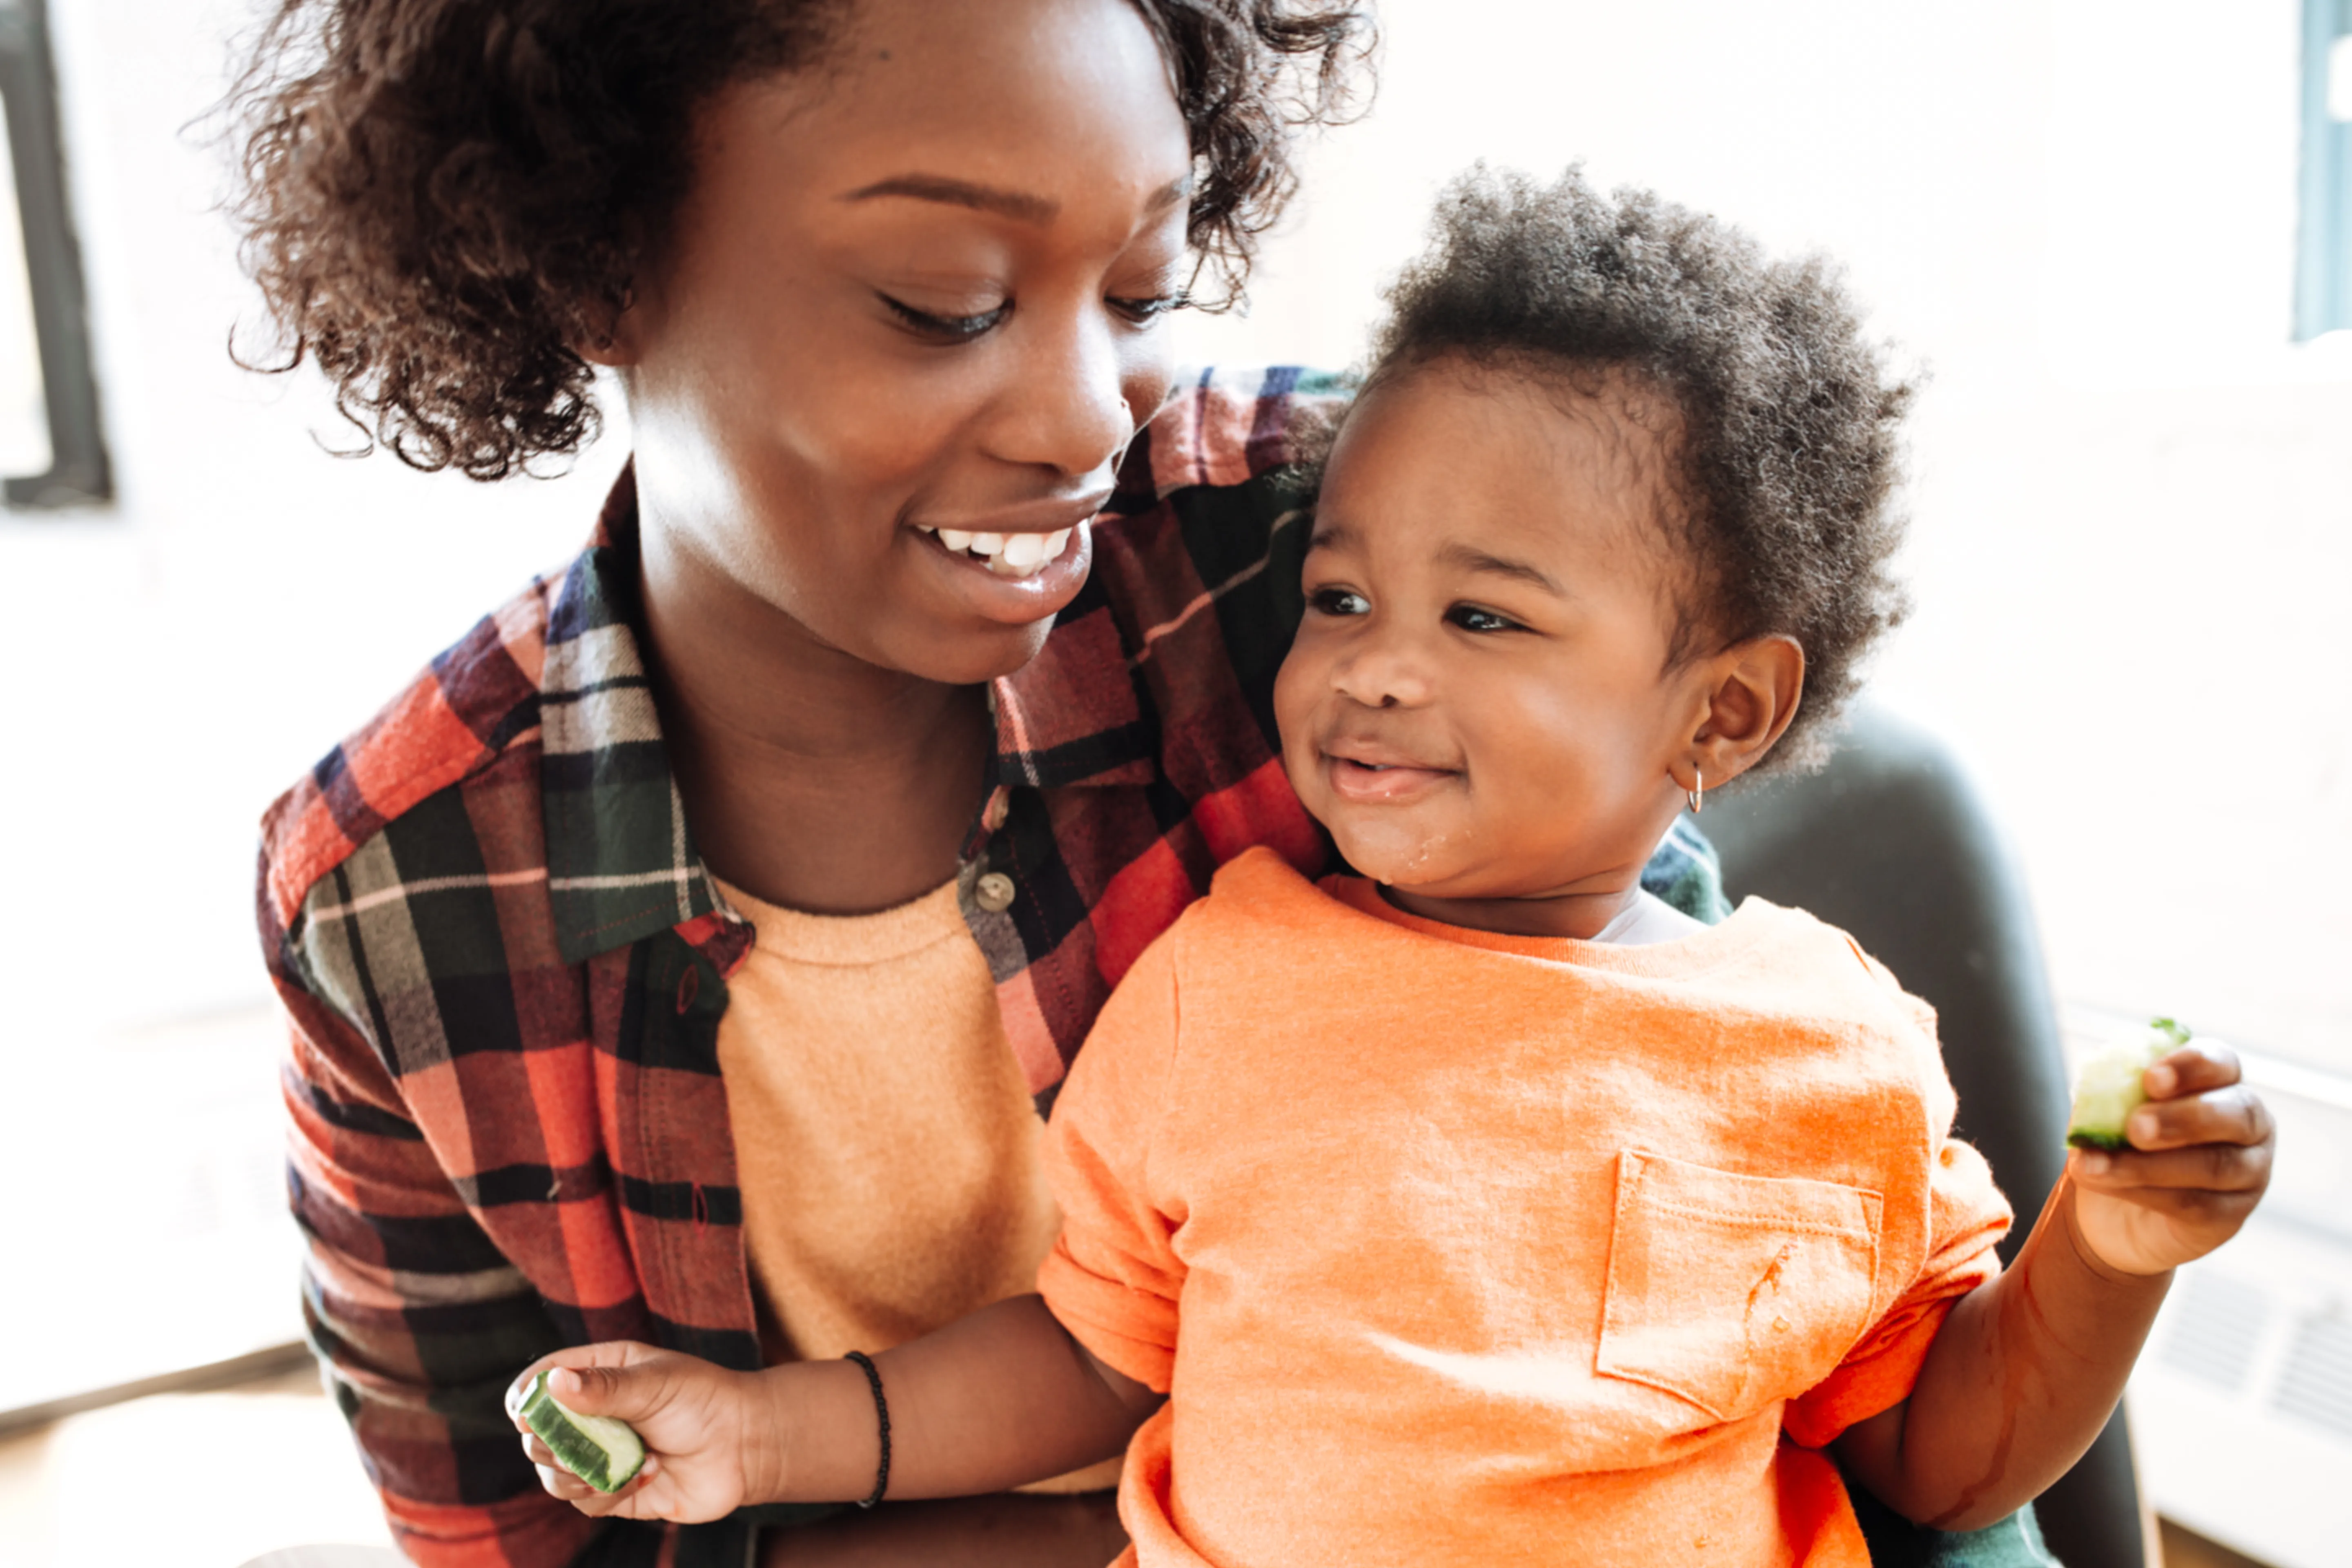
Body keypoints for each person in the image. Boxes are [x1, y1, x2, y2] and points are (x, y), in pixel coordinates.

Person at [502, 168, 2277, 1566]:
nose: (1376, 664)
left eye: (1484, 614)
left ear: (1721, 711)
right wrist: (765, 1439)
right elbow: (1094, 1354)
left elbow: (1944, 1460)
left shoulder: (1834, 1052)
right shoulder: (1221, 976)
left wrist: (2112, 1252)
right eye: (1341, 596)